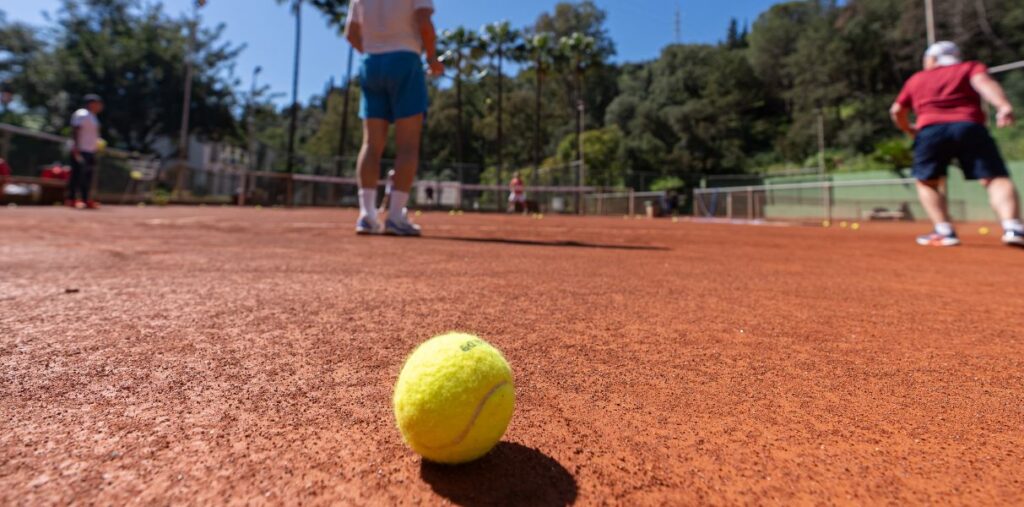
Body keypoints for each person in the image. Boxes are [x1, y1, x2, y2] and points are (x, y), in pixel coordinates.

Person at [890, 41, 1022, 247]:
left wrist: (909, 129)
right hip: (969, 126)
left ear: (932, 59)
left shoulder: (917, 79)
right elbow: (984, 83)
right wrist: (1002, 105)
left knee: (927, 181)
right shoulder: (969, 67)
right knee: (995, 177)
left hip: (930, 131)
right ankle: (1013, 227)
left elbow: (896, 111)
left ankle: (944, 231)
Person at [345, 0, 443, 236]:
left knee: (371, 143)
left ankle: (367, 215)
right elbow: (424, 22)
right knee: (408, 144)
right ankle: (396, 216)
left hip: (371, 64)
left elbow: (350, 34)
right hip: (405, 60)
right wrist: (431, 59)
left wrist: (374, 51)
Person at [67, 94, 104, 210]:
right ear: (91, 103)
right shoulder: (82, 113)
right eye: (98, 103)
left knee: (88, 176)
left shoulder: (93, 116)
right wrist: (76, 147)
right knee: (77, 175)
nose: (100, 106)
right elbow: (75, 129)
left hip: (90, 150)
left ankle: (85, 199)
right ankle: (71, 199)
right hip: (81, 149)